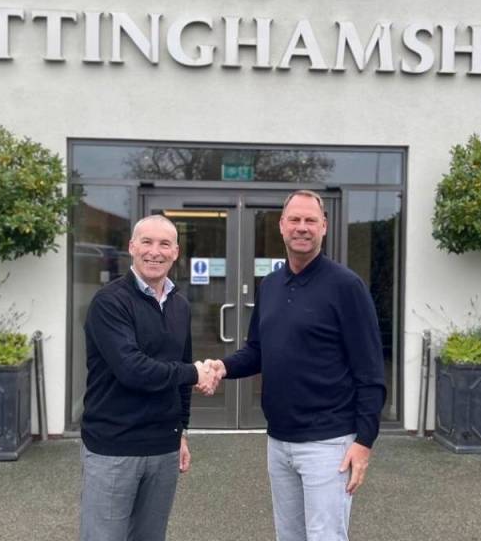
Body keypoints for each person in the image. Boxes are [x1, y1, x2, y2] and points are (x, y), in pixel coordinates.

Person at [204, 190, 386, 541]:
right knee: (288, 536)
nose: (302, 227)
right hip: (279, 440)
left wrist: (364, 441)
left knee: (325, 536)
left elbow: (371, 371)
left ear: (324, 227)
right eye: (295, 220)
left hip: (329, 442)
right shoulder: (271, 285)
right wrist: (222, 367)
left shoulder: (346, 286)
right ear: (281, 225)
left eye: (310, 221)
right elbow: (257, 350)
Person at [80, 214, 215, 541]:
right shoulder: (110, 302)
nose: (155, 251)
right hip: (115, 448)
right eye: (147, 242)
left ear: (176, 252)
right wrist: (195, 372)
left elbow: (180, 373)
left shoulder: (179, 305)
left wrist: (181, 432)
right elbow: (133, 369)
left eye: (164, 244)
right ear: (132, 247)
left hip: (164, 449)